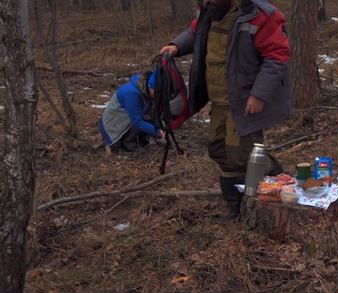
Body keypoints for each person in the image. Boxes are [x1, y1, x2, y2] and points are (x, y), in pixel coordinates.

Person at [161, 0, 290, 221]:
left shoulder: (260, 15)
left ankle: (263, 186)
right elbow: (196, 32)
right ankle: (234, 204)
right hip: (219, 100)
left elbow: (277, 57)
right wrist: (177, 45)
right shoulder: (210, 11)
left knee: (241, 155)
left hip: (244, 101)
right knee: (219, 149)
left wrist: (259, 94)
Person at [99, 70, 166, 152]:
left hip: (124, 120)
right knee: (141, 120)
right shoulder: (131, 94)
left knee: (146, 118)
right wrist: (157, 132)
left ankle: (137, 139)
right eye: (156, 92)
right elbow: (137, 121)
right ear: (149, 86)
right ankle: (128, 143)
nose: (157, 95)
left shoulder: (143, 88)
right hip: (112, 128)